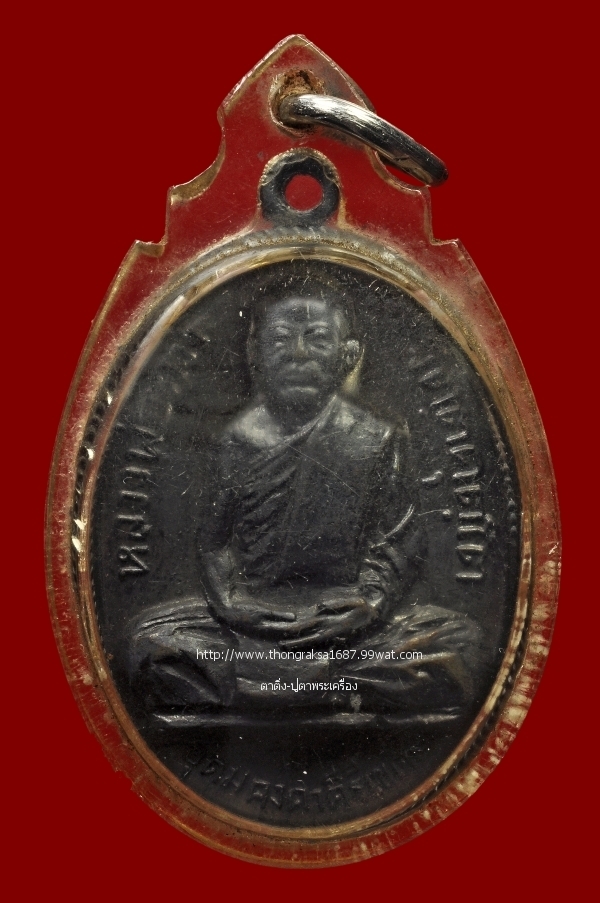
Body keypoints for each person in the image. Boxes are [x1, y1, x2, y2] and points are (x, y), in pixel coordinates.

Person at [128, 270, 478, 718]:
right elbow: (213, 544)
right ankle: (333, 690)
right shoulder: (236, 441)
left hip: (345, 627)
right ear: (254, 353)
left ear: (347, 355)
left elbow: (400, 542)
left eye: (317, 339)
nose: (297, 354)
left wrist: (369, 605)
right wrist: (231, 606)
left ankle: (268, 691)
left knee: (462, 644)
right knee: (149, 645)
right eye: (279, 340)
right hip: (254, 624)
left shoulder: (374, 438)